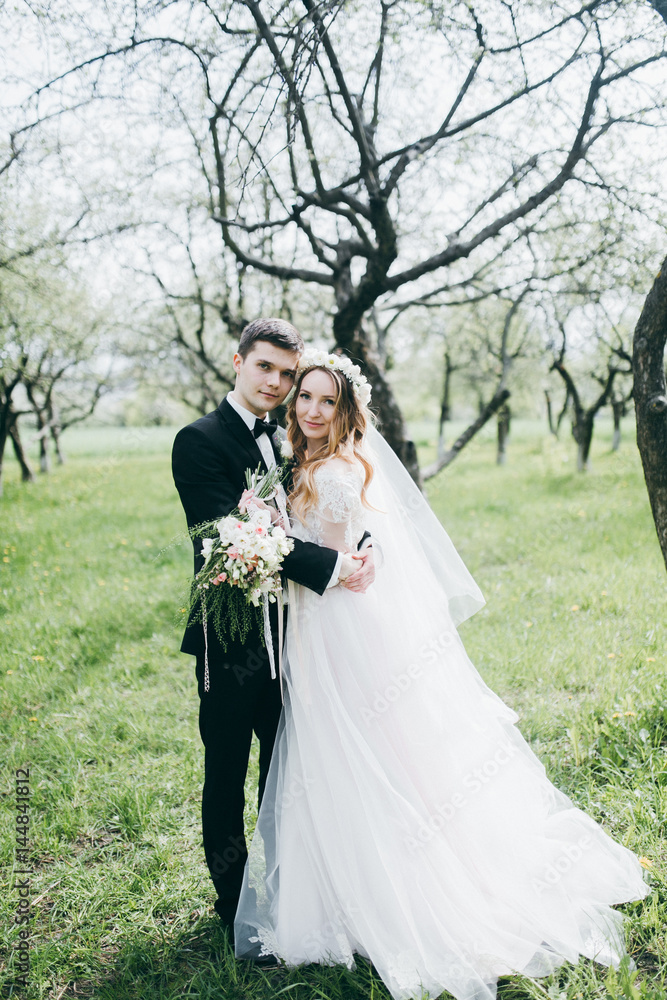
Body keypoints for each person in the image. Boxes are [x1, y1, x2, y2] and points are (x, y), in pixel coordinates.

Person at [234, 352, 649, 1000]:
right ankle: (336, 895)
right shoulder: (301, 462)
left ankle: (409, 895)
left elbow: (353, 558)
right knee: (326, 754)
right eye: (304, 398)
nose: (312, 411)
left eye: (325, 401)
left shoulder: (341, 469)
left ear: (345, 410)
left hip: (343, 630)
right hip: (311, 632)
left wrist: (298, 548)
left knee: (370, 752)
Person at [171, 319, 375, 942]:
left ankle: (291, 897)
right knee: (228, 770)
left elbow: (320, 510)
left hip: (297, 638)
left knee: (288, 771)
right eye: (266, 368)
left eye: (288, 374)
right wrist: (335, 568)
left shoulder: (289, 439)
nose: (277, 383)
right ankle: (235, 909)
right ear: (238, 362)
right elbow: (230, 535)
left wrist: (357, 544)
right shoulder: (199, 440)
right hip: (232, 642)